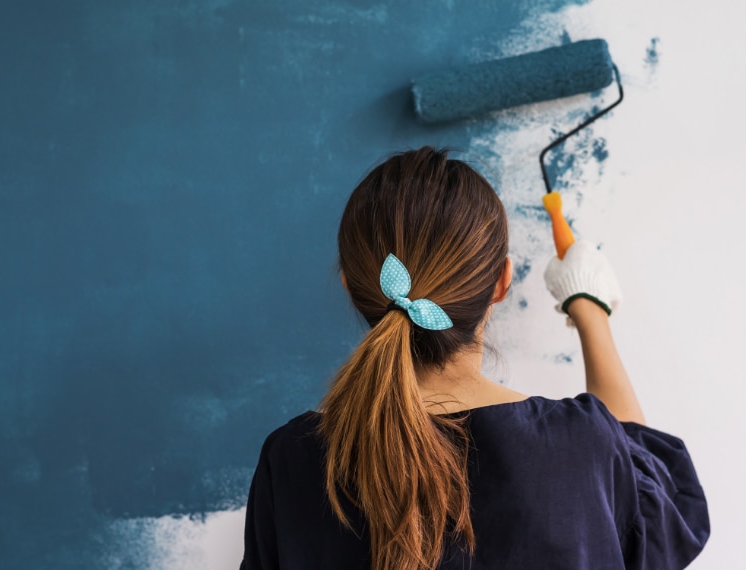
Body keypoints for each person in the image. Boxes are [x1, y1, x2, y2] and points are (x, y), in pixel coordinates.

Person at [240, 147, 709, 570]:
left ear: (351, 286)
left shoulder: (291, 463)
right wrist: (589, 309)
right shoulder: (580, 446)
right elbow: (659, 510)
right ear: (503, 283)